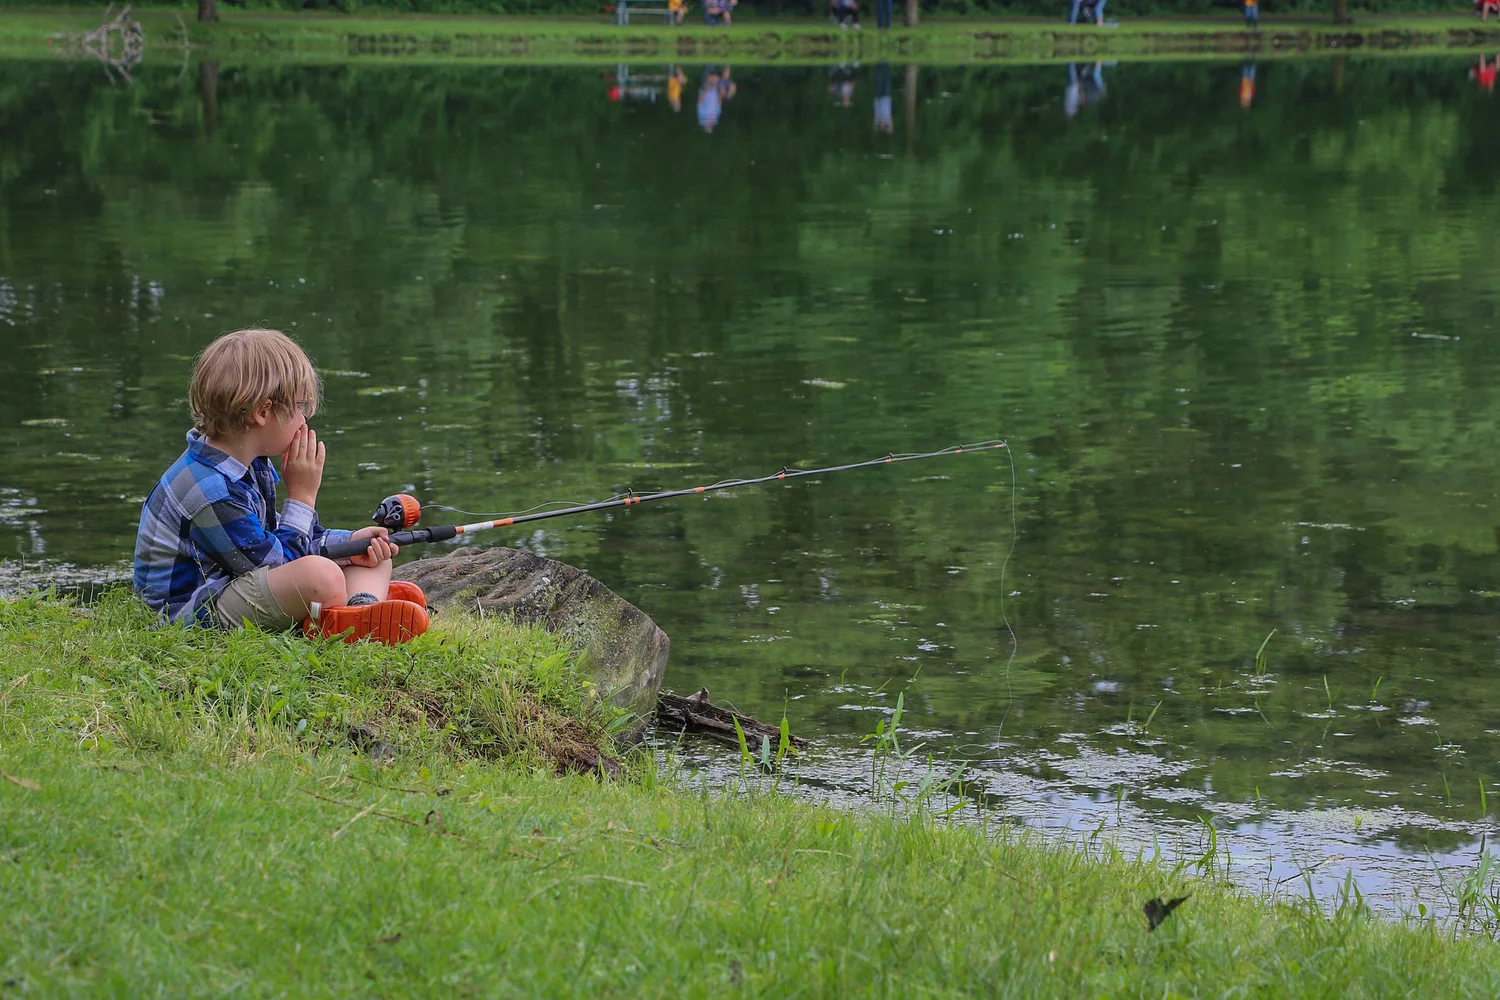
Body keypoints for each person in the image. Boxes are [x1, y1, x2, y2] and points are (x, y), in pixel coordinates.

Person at [133, 328, 429, 645]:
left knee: (373, 551)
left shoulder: (250, 462)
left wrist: (350, 542)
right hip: (193, 610)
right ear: (263, 412)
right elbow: (276, 564)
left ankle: (359, 610)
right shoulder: (209, 489)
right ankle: (354, 606)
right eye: (300, 407)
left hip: (242, 577)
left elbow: (278, 538)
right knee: (320, 576)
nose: (304, 421)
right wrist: (302, 496)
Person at [873, 61, 894, 132]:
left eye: (880, 126)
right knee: (887, 81)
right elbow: (891, 126)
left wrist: (879, 128)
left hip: (878, 97)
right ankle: (887, 64)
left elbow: (875, 127)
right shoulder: (887, 119)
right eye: (883, 126)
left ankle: (879, 65)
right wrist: (888, 129)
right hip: (886, 98)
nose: (882, 125)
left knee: (878, 80)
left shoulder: (877, 119)